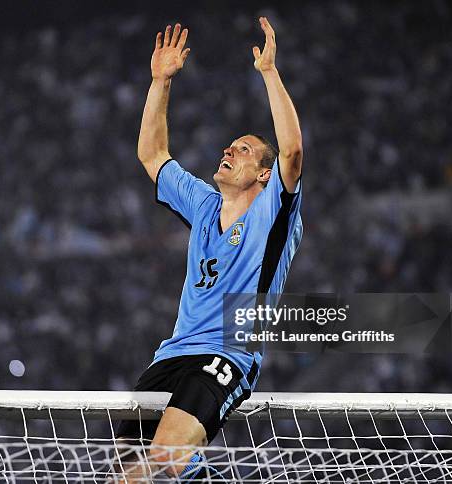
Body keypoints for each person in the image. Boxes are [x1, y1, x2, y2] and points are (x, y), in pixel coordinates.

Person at [116, 17, 303, 482]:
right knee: (129, 476)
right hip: (170, 356)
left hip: (225, 355)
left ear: (263, 174)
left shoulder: (273, 211)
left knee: (165, 456)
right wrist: (160, 82)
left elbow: (293, 154)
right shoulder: (204, 203)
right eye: (230, 145)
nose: (228, 149)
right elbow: (152, 156)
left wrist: (269, 73)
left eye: (242, 150)